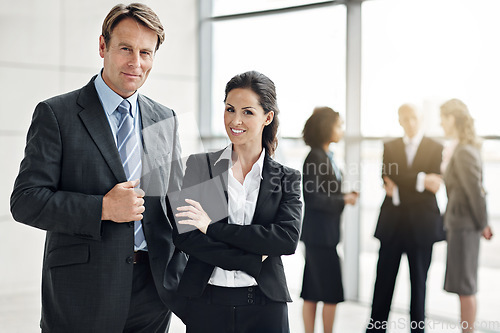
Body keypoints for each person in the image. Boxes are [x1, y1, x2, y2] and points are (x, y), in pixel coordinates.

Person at [10, 3, 186, 332]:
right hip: (82, 293)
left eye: (146, 53)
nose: (136, 63)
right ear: (103, 46)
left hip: (155, 293)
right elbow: (26, 201)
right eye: (126, 49)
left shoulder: (166, 118)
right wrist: (103, 208)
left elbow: (174, 204)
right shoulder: (56, 114)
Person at [171, 70, 302, 333]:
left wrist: (212, 228)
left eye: (248, 112)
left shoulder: (287, 177)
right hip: (206, 304)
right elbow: (185, 237)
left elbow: (285, 240)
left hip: (265, 307)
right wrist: (252, 259)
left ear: (268, 117)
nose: (235, 120)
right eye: (230, 109)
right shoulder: (200, 166)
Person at [366, 104, 444, 333]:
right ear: (399, 120)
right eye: (405, 118)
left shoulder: (436, 147)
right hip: (392, 227)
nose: (410, 123)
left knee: (419, 286)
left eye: (414, 118)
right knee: (382, 285)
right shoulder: (389, 146)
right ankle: (376, 329)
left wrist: (401, 190)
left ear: (421, 118)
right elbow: (388, 177)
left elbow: (435, 185)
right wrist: (421, 180)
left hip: (422, 228)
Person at [427, 98, 493, 332]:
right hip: (460, 225)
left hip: (465, 226)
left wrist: (484, 223)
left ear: (452, 118)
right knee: (463, 286)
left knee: (465, 287)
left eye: (443, 118)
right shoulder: (460, 148)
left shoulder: (464, 151)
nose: (441, 123)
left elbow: (475, 191)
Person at [299, 107, 358, 333]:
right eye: (338, 125)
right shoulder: (315, 156)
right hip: (320, 236)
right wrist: (344, 200)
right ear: (326, 127)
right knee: (331, 292)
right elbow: (313, 198)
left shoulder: (325, 155)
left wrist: (344, 196)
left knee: (313, 290)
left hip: (322, 234)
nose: (341, 130)